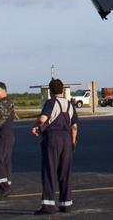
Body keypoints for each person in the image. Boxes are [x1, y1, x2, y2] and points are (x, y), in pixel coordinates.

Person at [30, 77, 78, 214]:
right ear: (62, 90)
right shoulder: (70, 105)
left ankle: (48, 206)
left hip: (53, 139)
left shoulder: (51, 102)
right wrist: (73, 142)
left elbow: (42, 119)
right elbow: (74, 127)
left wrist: (36, 128)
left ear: (50, 91)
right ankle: (66, 204)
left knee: (49, 171)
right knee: (65, 173)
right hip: (67, 139)